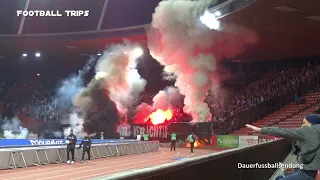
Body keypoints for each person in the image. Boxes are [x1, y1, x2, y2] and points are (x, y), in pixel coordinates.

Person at [245, 114, 320, 180]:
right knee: (279, 178)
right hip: (308, 171)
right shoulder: (316, 132)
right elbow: (313, 159)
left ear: (312, 123)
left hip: (308, 174)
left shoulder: (309, 130)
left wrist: (260, 129)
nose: (302, 126)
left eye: (304, 123)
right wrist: (296, 168)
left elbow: (283, 131)